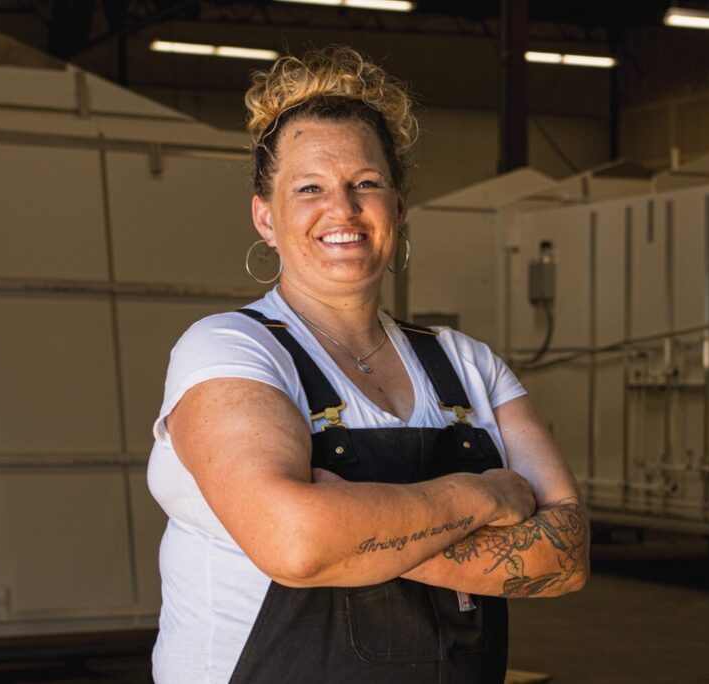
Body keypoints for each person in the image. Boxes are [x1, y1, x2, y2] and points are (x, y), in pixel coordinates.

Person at [147, 45, 589, 683]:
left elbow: (566, 557)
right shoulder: (230, 350)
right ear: (265, 217)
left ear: (398, 205)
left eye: (366, 183)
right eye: (309, 189)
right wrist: (484, 492)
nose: (343, 209)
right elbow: (295, 546)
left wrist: (352, 529)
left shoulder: (468, 364)